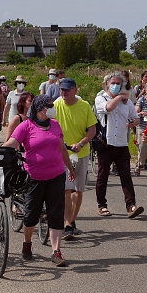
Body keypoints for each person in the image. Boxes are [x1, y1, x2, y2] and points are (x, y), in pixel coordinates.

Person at [3, 95, 75, 267]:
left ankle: (56, 251)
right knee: (31, 216)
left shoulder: (55, 125)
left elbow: (62, 148)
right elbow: (12, 142)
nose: (52, 108)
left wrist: (70, 168)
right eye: (49, 105)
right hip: (35, 178)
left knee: (55, 214)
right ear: (40, 108)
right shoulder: (26, 126)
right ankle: (27, 243)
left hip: (57, 175)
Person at [94, 72, 144, 218]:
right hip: (106, 143)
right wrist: (119, 97)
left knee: (126, 176)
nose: (116, 86)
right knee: (102, 176)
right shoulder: (100, 98)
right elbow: (108, 108)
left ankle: (131, 205)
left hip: (122, 143)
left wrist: (133, 123)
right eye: (113, 83)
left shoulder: (127, 102)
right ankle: (102, 205)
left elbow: (136, 119)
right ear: (107, 84)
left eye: (119, 84)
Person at [54, 78, 98, 240]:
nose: (64, 93)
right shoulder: (56, 105)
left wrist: (81, 143)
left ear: (75, 90)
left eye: (67, 90)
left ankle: (72, 221)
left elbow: (92, 130)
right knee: (66, 188)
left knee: (78, 190)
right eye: (62, 90)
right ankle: (66, 223)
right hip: (62, 153)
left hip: (81, 152)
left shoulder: (84, 106)